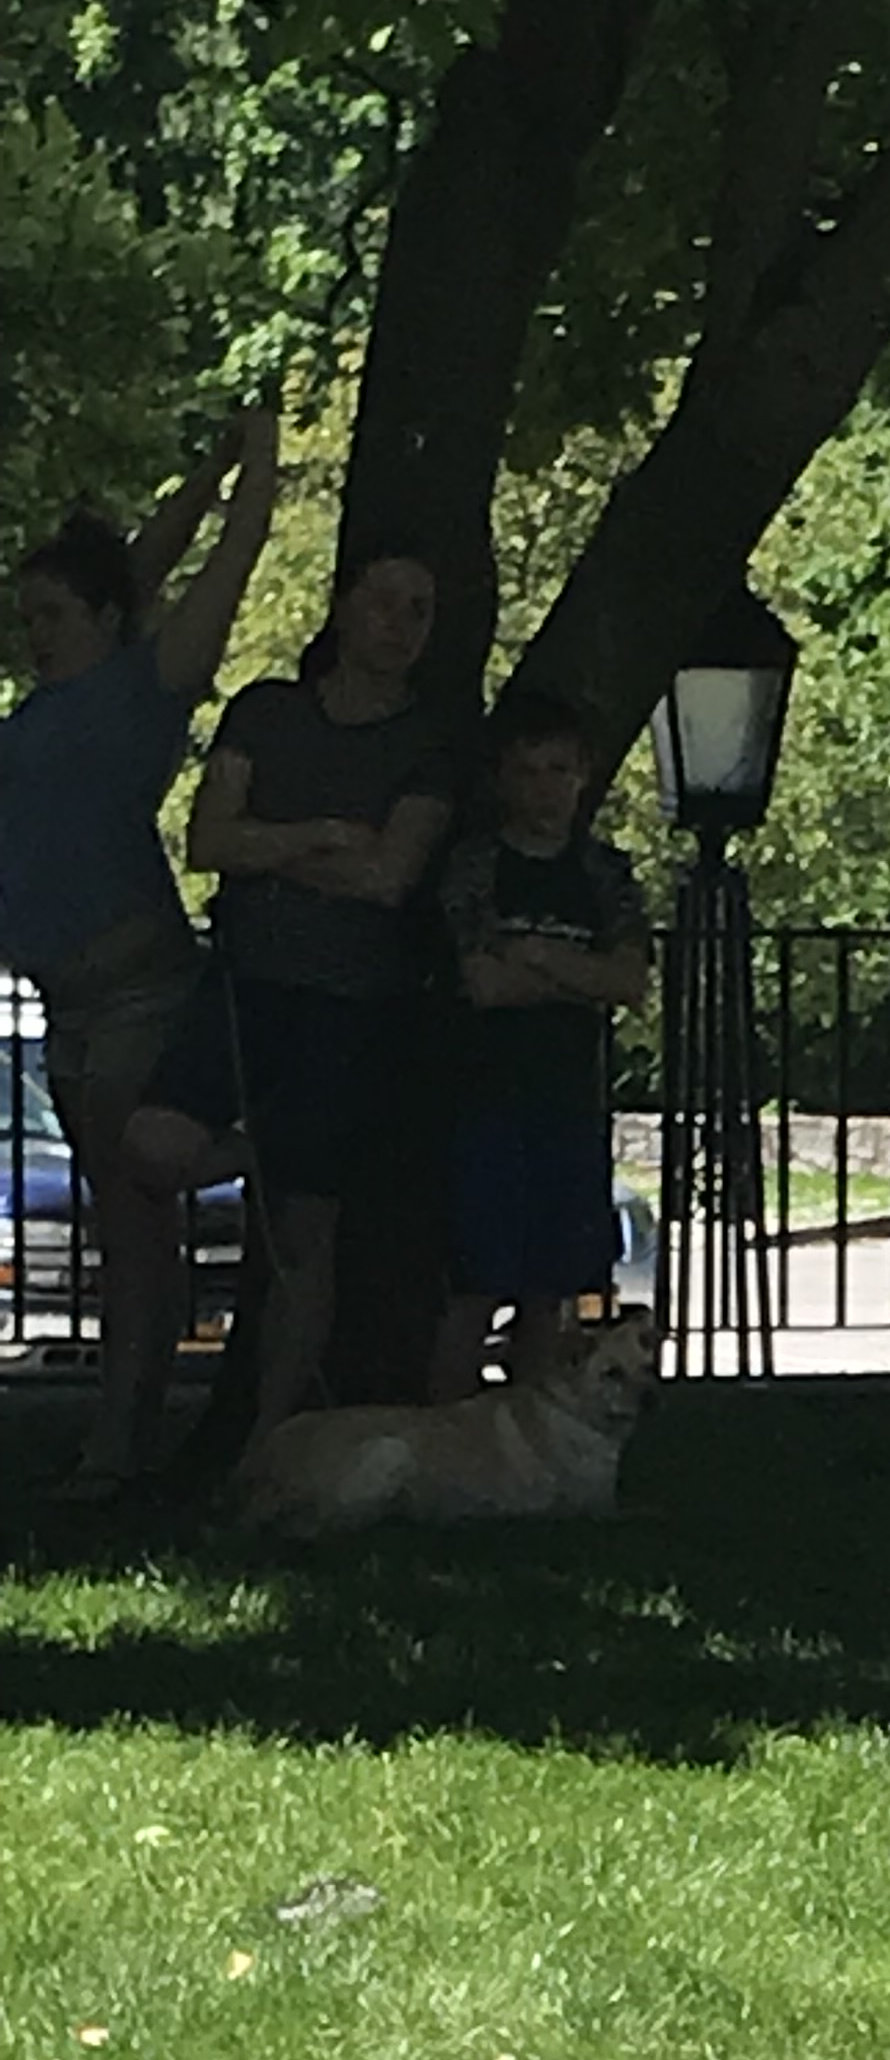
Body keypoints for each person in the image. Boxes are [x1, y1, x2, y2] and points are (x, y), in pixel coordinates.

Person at [0, 413, 279, 1499]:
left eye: (52, 614)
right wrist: (204, 466)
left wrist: (256, 462)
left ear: (106, 622)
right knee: (126, 1230)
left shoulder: (141, 691)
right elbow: (135, 567)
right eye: (26, 616)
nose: (34, 633)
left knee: (137, 1217)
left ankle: (118, 1448)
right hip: (68, 1010)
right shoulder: (46, 707)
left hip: (135, 995)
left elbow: (219, 563)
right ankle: (119, 1443)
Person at [126, 547, 457, 1453]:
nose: (400, 624)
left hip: (349, 1004)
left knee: (308, 1232)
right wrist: (321, 837)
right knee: (152, 1143)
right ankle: (260, 1149)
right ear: (344, 607)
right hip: (245, 983)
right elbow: (208, 841)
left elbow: (390, 876)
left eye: (419, 609)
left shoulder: (428, 744)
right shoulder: (265, 711)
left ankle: (270, 1444)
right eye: (385, 602)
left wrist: (269, 851)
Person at [430, 689, 650, 1399]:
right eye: (528, 772)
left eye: (559, 770)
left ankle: (531, 1427)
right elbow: (483, 982)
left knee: (549, 1292)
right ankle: (451, 1428)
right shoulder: (475, 867)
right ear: (503, 780)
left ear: (583, 775)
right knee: (475, 1286)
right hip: (486, 1100)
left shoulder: (603, 873)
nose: (545, 789)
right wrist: (578, 976)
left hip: (570, 1102)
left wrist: (538, 955)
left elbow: (628, 980)